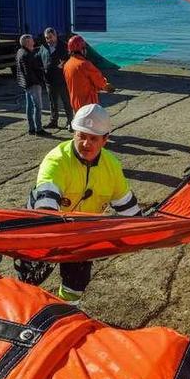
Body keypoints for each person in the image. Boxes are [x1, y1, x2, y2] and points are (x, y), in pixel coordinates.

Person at [27, 103, 141, 305]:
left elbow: (129, 210)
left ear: (105, 139)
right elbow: (45, 206)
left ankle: (66, 312)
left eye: (93, 138)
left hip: (81, 236)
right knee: (29, 278)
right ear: (73, 133)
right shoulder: (56, 160)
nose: (86, 144)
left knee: (76, 282)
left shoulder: (112, 166)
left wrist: (150, 233)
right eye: (82, 135)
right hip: (42, 230)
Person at [63, 35, 115, 112]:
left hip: (75, 103)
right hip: (88, 105)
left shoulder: (67, 65)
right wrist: (107, 86)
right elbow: (100, 81)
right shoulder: (85, 64)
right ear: (81, 49)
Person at [39, 27, 74, 131]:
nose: (48, 40)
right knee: (52, 102)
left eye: (50, 37)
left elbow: (72, 59)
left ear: (55, 36)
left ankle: (70, 122)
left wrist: (64, 64)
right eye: (46, 38)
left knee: (66, 102)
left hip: (62, 80)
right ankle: (53, 121)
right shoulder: (43, 47)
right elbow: (40, 59)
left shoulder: (64, 46)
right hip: (49, 80)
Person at [16, 34, 49, 136]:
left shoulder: (20, 52)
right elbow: (29, 72)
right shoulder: (27, 55)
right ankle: (39, 129)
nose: (34, 43)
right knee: (38, 107)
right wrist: (39, 80)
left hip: (26, 84)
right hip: (33, 84)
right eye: (32, 41)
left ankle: (31, 128)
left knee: (29, 106)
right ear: (27, 43)